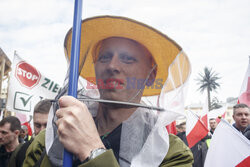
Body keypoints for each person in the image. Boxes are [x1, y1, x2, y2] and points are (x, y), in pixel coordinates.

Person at [23, 16, 193, 167]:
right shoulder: (50, 137)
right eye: (104, 57)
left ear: (151, 75)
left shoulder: (170, 152)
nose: (112, 66)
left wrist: (92, 151)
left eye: (127, 59)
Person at [15, 99, 51, 167]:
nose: (42, 130)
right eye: (37, 125)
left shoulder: (62, 150)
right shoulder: (23, 150)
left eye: (47, 125)